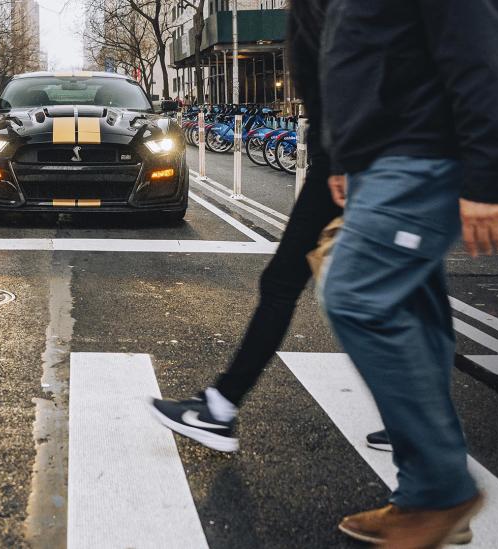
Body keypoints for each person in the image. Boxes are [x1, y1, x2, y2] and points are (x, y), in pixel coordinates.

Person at [319, 0, 498, 546]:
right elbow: (358, 49)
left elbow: (482, 47)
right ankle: (426, 496)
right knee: (414, 307)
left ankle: (439, 490)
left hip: (420, 151)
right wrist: (344, 154)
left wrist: (490, 176)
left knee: (355, 296)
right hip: (383, 157)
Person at [150, 0, 342, 453]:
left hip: (352, 156)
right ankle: (414, 420)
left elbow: (357, 63)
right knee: (390, 297)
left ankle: (220, 407)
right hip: (346, 152)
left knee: (333, 293)